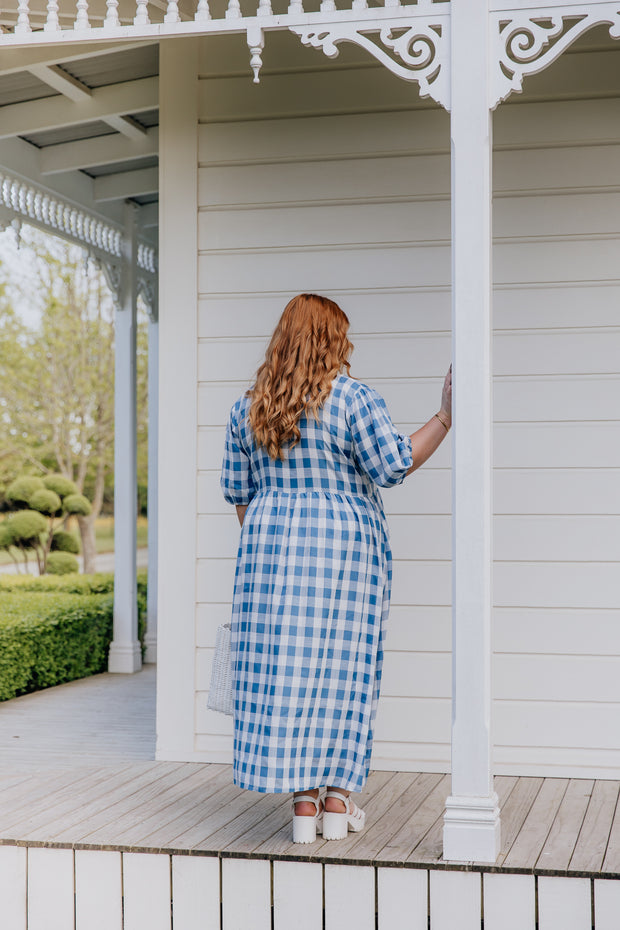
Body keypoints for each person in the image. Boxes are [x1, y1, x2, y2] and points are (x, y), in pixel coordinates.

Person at [220, 294, 452, 843]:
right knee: (343, 670)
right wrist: (445, 417)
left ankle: (303, 807)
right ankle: (336, 803)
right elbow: (394, 464)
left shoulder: (249, 407)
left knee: (291, 670)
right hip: (344, 552)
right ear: (331, 340)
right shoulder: (352, 401)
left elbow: (238, 494)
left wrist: (273, 542)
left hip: (269, 554)